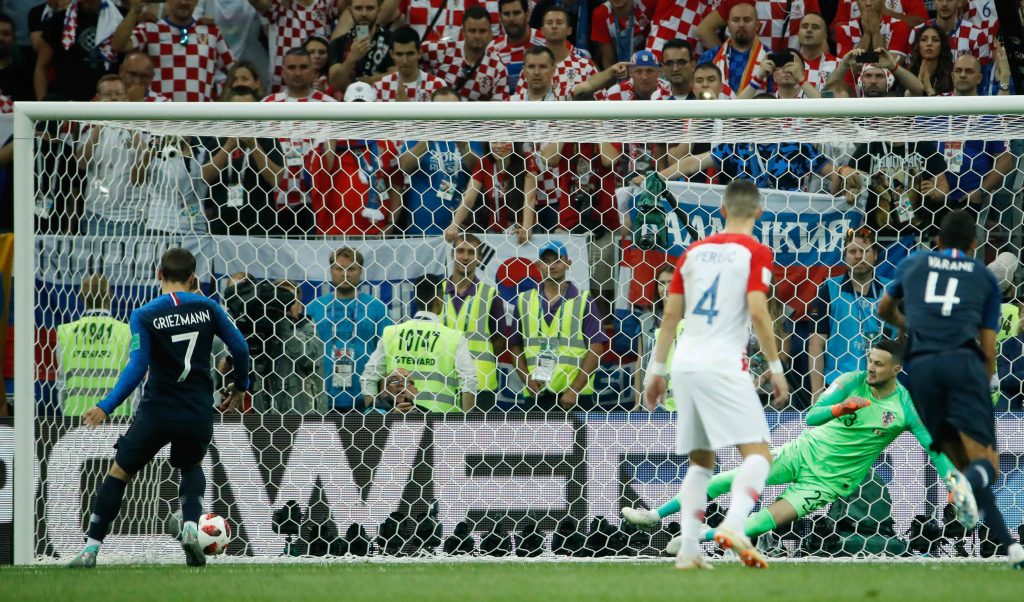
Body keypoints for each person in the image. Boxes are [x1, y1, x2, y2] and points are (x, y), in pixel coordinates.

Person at [627, 340, 960, 551]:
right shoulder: (849, 382)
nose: (871, 368)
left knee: (758, 523)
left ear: (897, 369)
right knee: (731, 478)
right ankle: (654, 515)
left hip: (828, 482)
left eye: (879, 364)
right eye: (870, 360)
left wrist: (951, 483)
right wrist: (840, 408)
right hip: (802, 452)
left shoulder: (905, 409)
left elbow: (934, 449)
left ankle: (698, 537)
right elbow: (812, 417)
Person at [66, 248, 250, 568]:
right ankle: (191, 528)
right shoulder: (209, 307)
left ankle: (91, 549)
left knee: (120, 473)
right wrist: (241, 386)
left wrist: (106, 406)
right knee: (191, 467)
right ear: (194, 278)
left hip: (157, 411)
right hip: (196, 410)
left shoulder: (144, 314)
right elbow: (240, 347)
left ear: (158, 274)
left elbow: (137, 367)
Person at [643, 180, 787, 570]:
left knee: (701, 463)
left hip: (685, 364)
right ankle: (736, 525)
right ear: (758, 212)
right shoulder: (756, 251)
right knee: (759, 456)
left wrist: (655, 371)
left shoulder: (693, 252)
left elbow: (671, 315)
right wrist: (775, 368)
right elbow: (758, 311)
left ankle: (689, 551)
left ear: (722, 211)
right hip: (724, 364)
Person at [878, 210, 1024, 569]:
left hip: (921, 370)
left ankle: (1010, 547)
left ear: (938, 242)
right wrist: (984, 378)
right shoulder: (984, 279)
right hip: (963, 365)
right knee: (985, 464)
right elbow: (988, 347)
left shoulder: (914, 263)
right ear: (974, 247)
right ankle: (973, 497)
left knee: (961, 462)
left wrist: (909, 323)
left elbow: (883, 308)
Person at [508, 241, 608, 411]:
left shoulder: (583, 300)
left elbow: (597, 347)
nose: (552, 266)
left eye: (558, 260)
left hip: (573, 396)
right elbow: (514, 345)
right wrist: (526, 379)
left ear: (568, 263)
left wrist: (574, 389)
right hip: (537, 393)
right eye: (546, 261)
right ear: (537, 265)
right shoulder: (524, 300)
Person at [361, 274, 477, 412]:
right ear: (439, 299)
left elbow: (367, 378)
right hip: (441, 422)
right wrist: (466, 421)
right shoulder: (453, 337)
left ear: (415, 300)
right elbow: (469, 380)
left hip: (399, 421)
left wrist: (379, 415)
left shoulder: (391, 333)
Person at [807, 229, 892, 399]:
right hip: (839, 387)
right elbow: (816, 344)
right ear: (844, 256)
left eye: (865, 251)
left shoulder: (891, 290)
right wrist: (817, 394)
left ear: (875, 254)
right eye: (852, 251)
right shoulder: (829, 289)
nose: (858, 256)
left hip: (883, 387)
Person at [305, 247, 391, 413]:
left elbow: (386, 354)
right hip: (321, 397)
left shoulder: (377, 308)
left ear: (360, 271)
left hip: (365, 397)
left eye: (351, 269)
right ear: (331, 271)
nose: (345, 274)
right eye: (339, 268)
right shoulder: (314, 308)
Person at [262, 48, 336, 235]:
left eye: (303, 67)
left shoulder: (330, 106)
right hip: (273, 201)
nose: (297, 72)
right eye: (292, 67)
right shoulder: (267, 106)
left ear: (313, 71)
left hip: (316, 202)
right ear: (283, 71)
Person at [396, 88, 483, 236]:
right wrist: (430, 135)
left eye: (451, 108)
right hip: (421, 230)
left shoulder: (470, 137)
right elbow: (404, 166)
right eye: (440, 108)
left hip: (461, 231)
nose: (446, 113)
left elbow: (480, 169)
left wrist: (462, 144)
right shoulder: (417, 136)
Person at [200, 86, 285, 235]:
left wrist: (253, 145)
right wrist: (228, 147)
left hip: (261, 226)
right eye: (237, 110)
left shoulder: (267, 140)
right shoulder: (218, 141)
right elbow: (205, 177)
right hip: (221, 226)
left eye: (247, 110)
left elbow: (276, 179)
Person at [112, 0, 234, 102]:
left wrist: (220, 103)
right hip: (159, 119)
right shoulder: (150, 29)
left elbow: (235, 72)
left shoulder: (211, 33)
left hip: (199, 123)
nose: (183, 2)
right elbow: (118, 45)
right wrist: (135, 10)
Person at [438, 234, 507, 411]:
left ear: (480, 258)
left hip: (480, 384)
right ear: (452, 254)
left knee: (476, 439)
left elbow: (499, 340)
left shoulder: (490, 295)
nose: (465, 257)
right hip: (441, 381)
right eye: (460, 251)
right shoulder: (437, 291)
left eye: (471, 252)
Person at [56, 274, 132, 417]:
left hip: (76, 416)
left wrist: (65, 417)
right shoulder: (126, 331)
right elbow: (132, 383)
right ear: (110, 295)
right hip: (116, 416)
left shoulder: (65, 332)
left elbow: (61, 384)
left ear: (82, 297)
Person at [246, 0, 340, 92]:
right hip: (282, 87)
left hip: (321, 86)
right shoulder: (279, 5)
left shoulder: (325, 3)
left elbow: (349, 6)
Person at [35, 0, 119, 101]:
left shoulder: (120, 18)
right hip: (67, 101)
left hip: (111, 101)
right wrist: (41, 107)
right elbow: (42, 67)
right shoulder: (59, 20)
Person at [510, 5, 598, 98]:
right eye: (549, 23)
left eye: (559, 22)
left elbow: (601, 101)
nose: (554, 26)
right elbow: (519, 102)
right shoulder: (531, 68)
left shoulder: (585, 66)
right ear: (542, 31)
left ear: (569, 30)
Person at [418, 6, 494, 99]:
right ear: (463, 32)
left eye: (482, 31)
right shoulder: (442, 51)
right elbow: (409, 51)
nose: (477, 36)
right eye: (472, 31)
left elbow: (501, 108)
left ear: (490, 32)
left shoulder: (497, 68)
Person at [698, 0, 820, 54]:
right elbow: (704, 30)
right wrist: (728, 58)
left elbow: (819, 35)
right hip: (752, 71)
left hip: (791, 73)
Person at [476, 0, 540, 100]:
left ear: (527, 14)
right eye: (506, 14)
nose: (511, 19)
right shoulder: (493, 49)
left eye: (516, 13)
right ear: (500, 18)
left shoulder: (546, 42)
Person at [697, 2, 765, 94]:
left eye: (747, 20)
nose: (741, 24)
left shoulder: (769, 58)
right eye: (736, 20)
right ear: (728, 25)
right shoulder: (708, 57)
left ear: (757, 25)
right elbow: (699, 94)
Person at [328, 0, 394, 92]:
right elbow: (335, 85)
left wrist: (369, 81)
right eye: (358, 8)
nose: (364, 14)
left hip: (382, 101)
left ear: (378, 10)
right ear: (350, 11)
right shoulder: (338, 43)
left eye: (370, 8)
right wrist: (351, 58)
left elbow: (398, 75)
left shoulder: (391, 39)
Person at [373, 26, 446, 102]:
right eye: (399, 54)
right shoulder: (380, 86)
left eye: (410, 54)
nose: (405, 60)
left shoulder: (437, 85)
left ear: (420, 53)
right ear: (391, 54)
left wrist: (406, 107)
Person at [589, 0, 657, 69]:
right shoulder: (601, 13)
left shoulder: (649, 3)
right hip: (620, 68)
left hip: (649, 63)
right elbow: (609, 62)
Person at [798, 12, 839, 92]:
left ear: (825, 36)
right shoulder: (786, 63)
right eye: (804, 27)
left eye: (815, 27)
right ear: (798, 33)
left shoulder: (839, 65)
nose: (809, 30)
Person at [909, 25, 954, 97]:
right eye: (924, 39)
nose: (929, 43)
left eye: (935, 40)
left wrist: (928, 88)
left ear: (942, 46)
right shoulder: (909, 73)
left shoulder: (951, 75)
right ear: (918, 45)